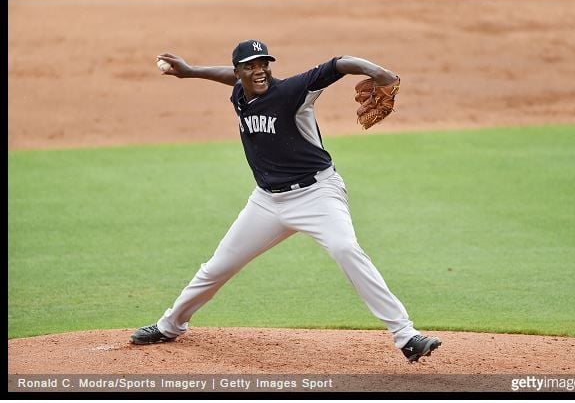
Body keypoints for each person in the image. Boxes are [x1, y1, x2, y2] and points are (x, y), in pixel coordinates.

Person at [131, 39, 441, 363]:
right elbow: (231, 77)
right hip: (267, 202)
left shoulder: (291, 92)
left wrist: (380, 73)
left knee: (345, 249)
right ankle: (170, 325)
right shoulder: (240, 91)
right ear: (241, 72)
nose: (259, 70)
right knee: (217, 266)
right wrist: (191, 71)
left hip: (317, 195)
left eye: (264, 63)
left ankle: (406, 335)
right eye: (250, 66)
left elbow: (339, 63)